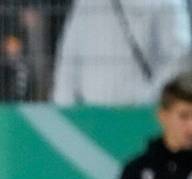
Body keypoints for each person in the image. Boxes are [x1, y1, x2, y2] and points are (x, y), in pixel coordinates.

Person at [52, 0, 191, 106]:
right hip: (90, 114)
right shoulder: (86, 3)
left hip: (139, 113)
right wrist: (64, 106)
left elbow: (178, 59)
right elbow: (69, 56)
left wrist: (149, 98)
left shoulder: (167, 3)